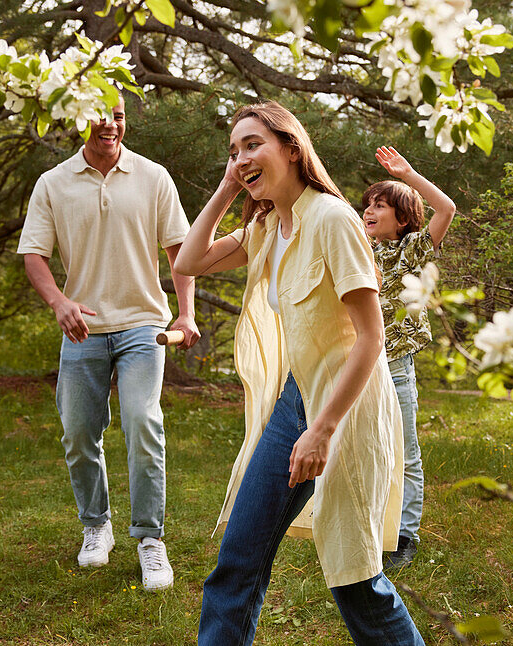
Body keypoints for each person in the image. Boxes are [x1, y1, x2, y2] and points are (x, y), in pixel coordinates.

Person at [174, 101, 424, 645]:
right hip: (295, 404)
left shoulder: (333, 221)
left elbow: (371, 338)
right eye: (233, 150)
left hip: (347, 409)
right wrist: (227, 189)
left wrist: (323, 428)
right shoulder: (268, 227)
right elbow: (187, 264)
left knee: (355, 577)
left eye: (253, 144)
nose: (241, 157)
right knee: (238, 558)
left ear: (292, 147)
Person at [17, 97, 200, 591]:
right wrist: (59, 302)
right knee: (79, 433)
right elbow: (34, 254)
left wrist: (185, 312)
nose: (111, 124)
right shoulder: (53, 183)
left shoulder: (153, 177)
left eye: (118, 115)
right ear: (79, 120)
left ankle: (149, 539)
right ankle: (97, 525)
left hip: (144, 323)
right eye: (101, 115)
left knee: (142, 420)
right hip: (83, 327)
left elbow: (179, 251)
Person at [362, 146, 456, 570]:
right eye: (368, 204)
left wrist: (408, 174)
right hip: (357, 366)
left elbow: (447, 209)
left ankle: (404, 536)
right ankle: (367, 528)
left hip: (395, 365)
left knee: (404, 452)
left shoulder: (412, 249)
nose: (369, 210)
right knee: (365, 449)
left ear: (402, 219)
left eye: (380, 205)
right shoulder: (356, 248)